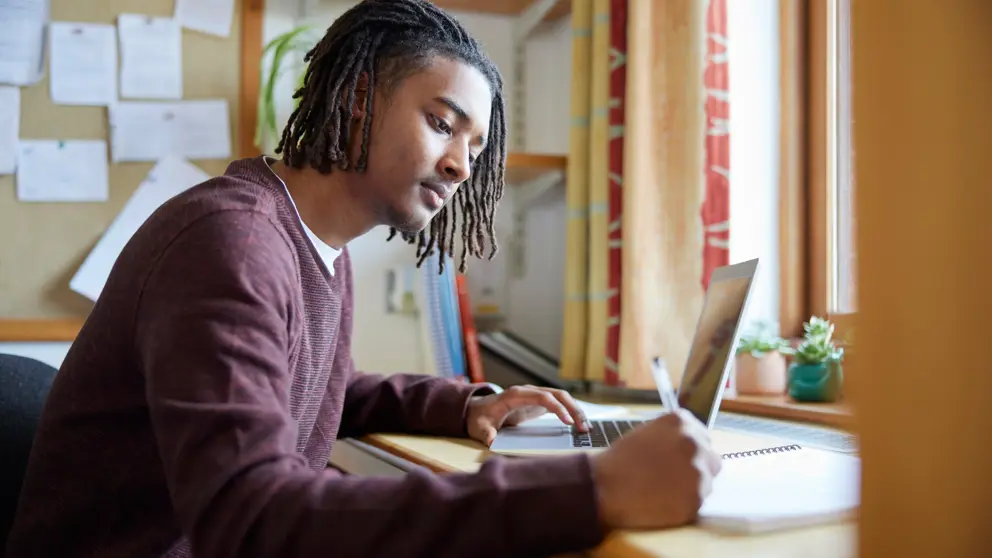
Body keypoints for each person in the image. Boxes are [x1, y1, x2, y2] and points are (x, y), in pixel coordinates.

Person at [4, 1, 721, 556]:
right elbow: (248, 518)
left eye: (475, 147)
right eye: (444, 124)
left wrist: (465, 403)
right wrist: (593, 487)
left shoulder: (311, 240)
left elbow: (322, 386)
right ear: (357, 103)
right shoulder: (232, 242)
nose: (461, 166)